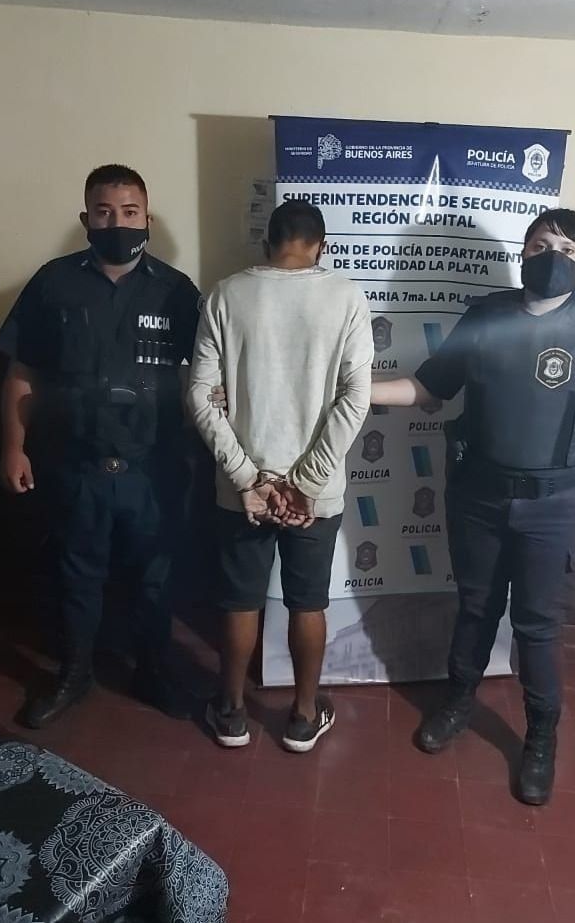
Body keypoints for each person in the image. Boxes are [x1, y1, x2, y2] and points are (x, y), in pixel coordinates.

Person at [370, 208, 575, 804]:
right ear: (523, 250)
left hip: (561, 505)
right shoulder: (486, 317)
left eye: (568, 249)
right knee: (475, 609)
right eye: (541, 244)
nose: (553, 256)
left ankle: (541, 737)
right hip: (479, 496)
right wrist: (352, 389)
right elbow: (427, 388)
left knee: (538, 625)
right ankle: (458, 702)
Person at [0, 164, 202, 728]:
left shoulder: (177, 291)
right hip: (74, 465)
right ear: (86, 218)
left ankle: (153, 672)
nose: (118, 223)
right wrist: (13, 447)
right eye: (105, 212)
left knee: (155, 578)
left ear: (147, 218)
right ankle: (75, 673)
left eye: (130, 212)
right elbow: (22, 373)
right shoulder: (52, 283)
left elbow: (205, 378)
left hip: (153, 468)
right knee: (75, 575)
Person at [187, 199, 373, 752]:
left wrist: (249, 478)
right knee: (308, 603)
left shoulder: (226, 294)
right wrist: (305, 483)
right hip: (315, 495)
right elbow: (355, 399)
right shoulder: (346, 296)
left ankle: (231, 713)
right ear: (322, 246)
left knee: (240, 602)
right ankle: (302, 717)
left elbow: (200, 397)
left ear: (267, 242)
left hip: (242, 490)